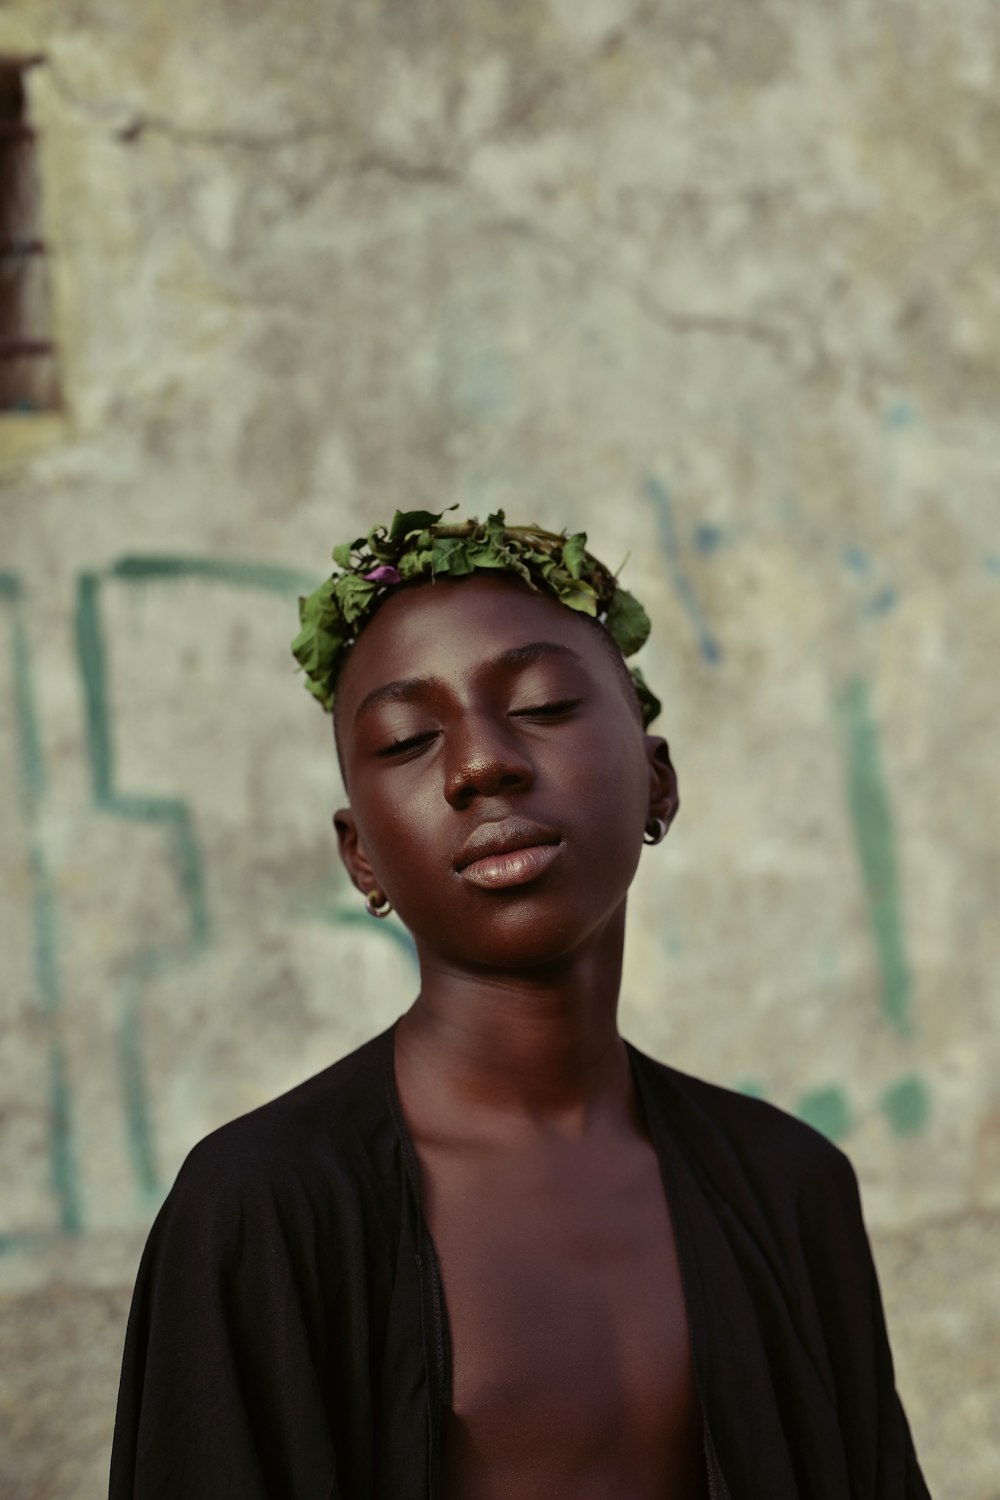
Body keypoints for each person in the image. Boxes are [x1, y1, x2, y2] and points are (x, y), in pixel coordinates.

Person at [109, 511, 931, 1499]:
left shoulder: (792, 1189)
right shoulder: (259, 1211)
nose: (479, 764)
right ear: (360, 856)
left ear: (658, 784)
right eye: (409, 738)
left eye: (541, 706)